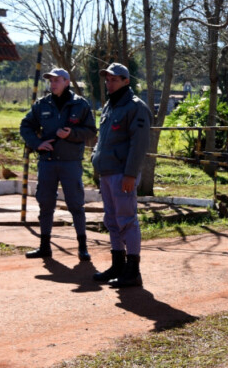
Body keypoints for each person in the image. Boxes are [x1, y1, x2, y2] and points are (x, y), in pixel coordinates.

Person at [20, 68, 97, 260]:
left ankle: (82, 247)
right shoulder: (42, 104)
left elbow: (90, 131)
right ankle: (44, 247)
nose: (52, 84)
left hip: (71, 163)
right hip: (47, 162)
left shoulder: (80, 104)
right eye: (51, 81)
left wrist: (71, 134)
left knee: (76, 205)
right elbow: (26, 126)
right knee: (45, 203)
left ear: (66, 82)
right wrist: (38, 144)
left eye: (56, 80)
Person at [91, 63, 151, 288]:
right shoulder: (110, 106)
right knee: (112, 221)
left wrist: (130, 174)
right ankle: (118, 264)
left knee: (127, 221)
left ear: (127, 81)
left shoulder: (136, 107)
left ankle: (133, 271)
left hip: (122, 174)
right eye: (107, 79)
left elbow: (139, 144)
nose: (109, 83)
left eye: (115, 79)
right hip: (107, 173)